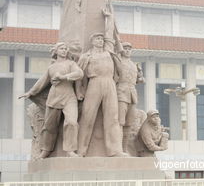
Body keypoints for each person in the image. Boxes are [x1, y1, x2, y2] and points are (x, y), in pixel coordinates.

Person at [76, 8, 127, 157]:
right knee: (87, 117)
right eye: (97, 39)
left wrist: (109, 18)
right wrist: (79, 90)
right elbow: (79, 75)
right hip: (94, 84)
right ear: (92, 41)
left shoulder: (108, 51)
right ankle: (81, 150)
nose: (100, 41)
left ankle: (114, 150)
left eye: (101, 39)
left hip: (109, 84)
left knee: (113, 118)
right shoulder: (86, 56)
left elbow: (109, 33)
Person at [19, 42, 83, 159]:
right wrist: (30, 92)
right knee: (49, 126)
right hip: (54, 97)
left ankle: (70, 150)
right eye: (62, 48)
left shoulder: (71, 63)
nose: (64, 50)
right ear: (56, 51)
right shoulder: (51, 68)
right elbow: (42, 82)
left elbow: (79, 73)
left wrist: (63, 77)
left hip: (69, 96)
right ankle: (45, 150)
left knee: (72, 123)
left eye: (65, 49)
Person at [116, 42, 145, 154]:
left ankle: (124, 148)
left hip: (132, 94)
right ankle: (117, 148)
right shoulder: (118, 62)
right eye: (125, 48)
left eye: (129, 48)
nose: (127, 50)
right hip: (121, 92)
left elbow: (137, 80)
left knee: (129, 123)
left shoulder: (134, 65)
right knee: (120, 122)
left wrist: (140, 78)